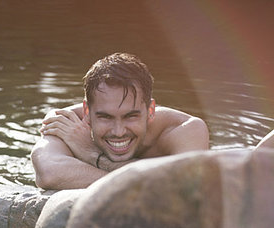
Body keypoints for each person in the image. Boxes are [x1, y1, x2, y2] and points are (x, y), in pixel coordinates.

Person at [31, 53, 210, 190]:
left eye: (130, 116)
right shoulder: (66, 121)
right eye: (105, 117)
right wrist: (148, 185)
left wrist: (91, 154)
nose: (118, 131)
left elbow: (182, 189)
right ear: (87, 111)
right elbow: (48, 174)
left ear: (150, 110)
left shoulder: (186, 129)